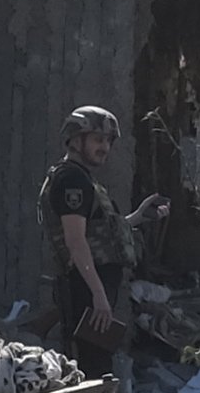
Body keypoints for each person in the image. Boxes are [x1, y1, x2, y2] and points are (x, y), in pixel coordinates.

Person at [35, 104, 131, 375]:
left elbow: (102, 231)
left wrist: (140, 217)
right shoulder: (72, 181)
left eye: (108, 141)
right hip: (86, 289)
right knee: (93, 368)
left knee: (98, 363)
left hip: (93, 287)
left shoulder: (82, 179)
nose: (105, 147)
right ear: (77, 141)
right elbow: (76, 241)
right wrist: (98, 295)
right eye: (98, 140)